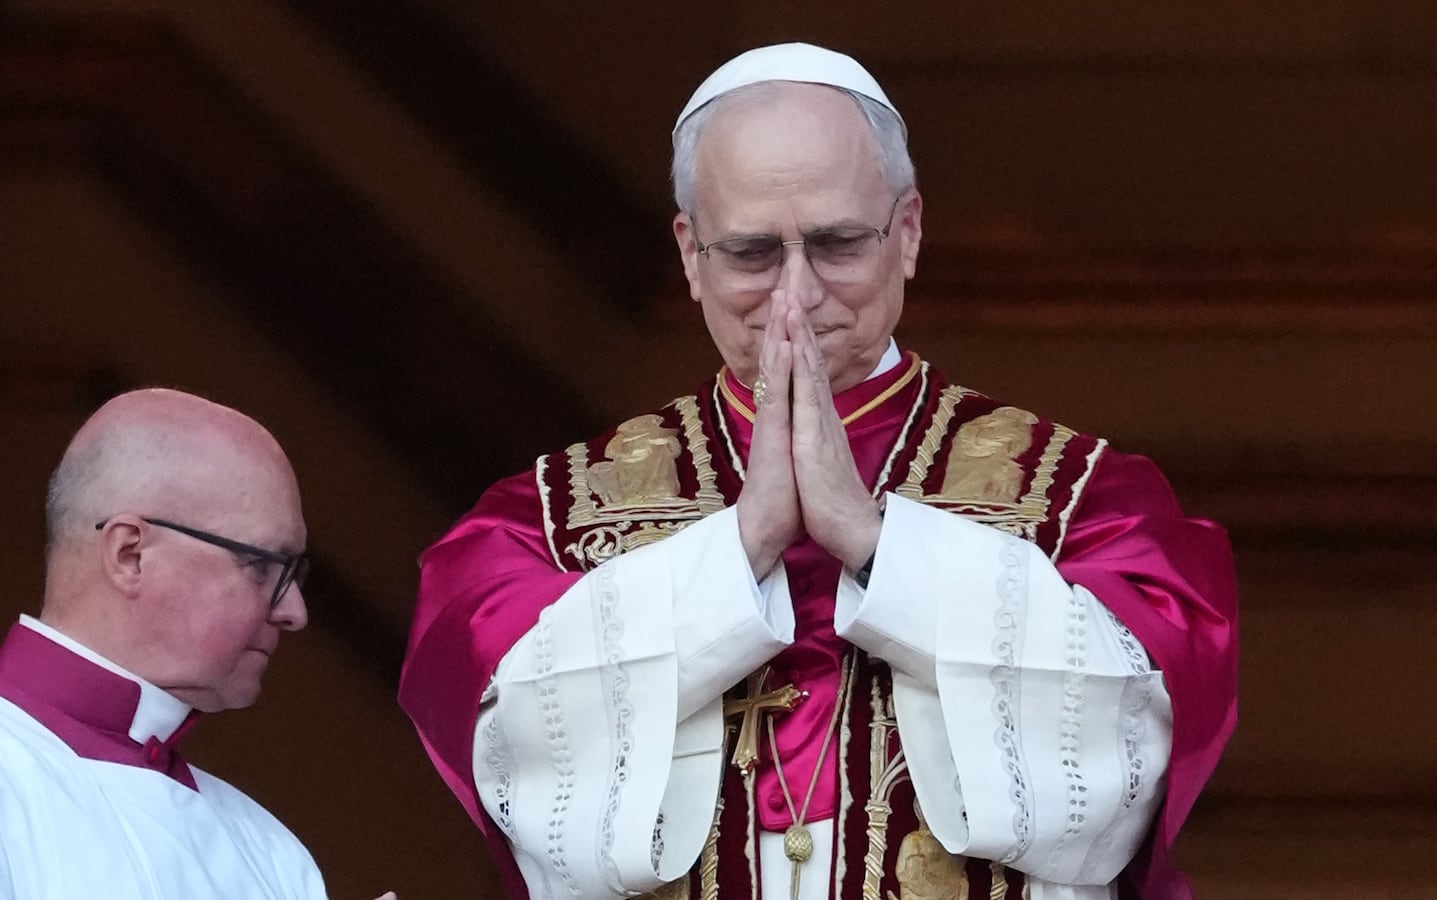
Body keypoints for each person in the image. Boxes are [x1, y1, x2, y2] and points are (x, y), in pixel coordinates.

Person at [399, 43, 1237, 900]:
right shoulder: (543, 521)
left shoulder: (1082, 499)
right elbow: (504, 747)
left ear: (906, 232)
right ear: (690, 254)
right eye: (753, 255)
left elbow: (1135, 741)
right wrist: (742, 546)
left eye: (837, 244)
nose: (796, 297)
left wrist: (879, 548)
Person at [0, 388, 396, 900]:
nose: (295, 612)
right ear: (131, 554)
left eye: (295, 573)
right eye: (261, 566)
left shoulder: (270, 850)